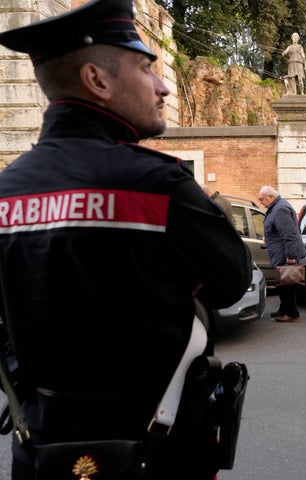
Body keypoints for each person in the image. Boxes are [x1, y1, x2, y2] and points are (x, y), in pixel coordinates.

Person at [0, 1, 253, 478]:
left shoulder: (4, 193)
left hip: (41, 455)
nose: (162, 86)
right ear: (98, 80)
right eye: (144, 68)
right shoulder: (159, 185)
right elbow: (234, 280)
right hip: (161, 454)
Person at [258, 185, 306, 322]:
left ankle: (292, 314)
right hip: (280, 252)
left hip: (285, 253)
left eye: (262, 200)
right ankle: (283, 309)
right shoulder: (276, 207)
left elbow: (289, 235)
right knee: (282, 284)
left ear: (271, 197)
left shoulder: (280, 209)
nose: (261, 202)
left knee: (287, 285)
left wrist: (290, 257)